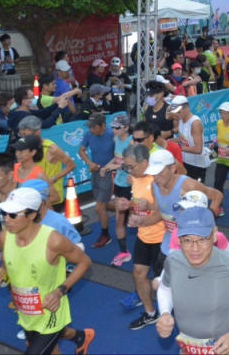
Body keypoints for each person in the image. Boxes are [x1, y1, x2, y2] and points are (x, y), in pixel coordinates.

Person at [0, 187, 95, 355]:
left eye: (13, 215)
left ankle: (78, 336)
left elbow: (85, 262)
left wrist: (60, 291)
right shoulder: (5, 237)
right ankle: (80, 337)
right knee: (50, 348)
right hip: (26, 311)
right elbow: (8, 269)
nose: (6, 219)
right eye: (4, 213)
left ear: (32, 215)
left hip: (52, 311)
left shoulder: (53, 240)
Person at [155, 206, 229, 353]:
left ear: (214, 235)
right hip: (186, 349)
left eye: (202, 239)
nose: (195, 249)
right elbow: (165, 288)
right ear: (178, 239)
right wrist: (165, 313)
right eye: (187, 240)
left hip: (223, 350)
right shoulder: (173, 261)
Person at [120, 144, 167, 330]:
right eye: (126, 167)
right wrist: (128, 204)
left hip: (162, 239)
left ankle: (168, 316)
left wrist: (143, 218)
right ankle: (150, 314)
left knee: (163, 284)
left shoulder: (157, 181)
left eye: (131, 166)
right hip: (143, 237)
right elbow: (139, 204)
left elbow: (162, 211)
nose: (129, 171)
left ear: (145, 162)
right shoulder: (134, 179)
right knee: (139, 275)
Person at [145, 148, 222, 254]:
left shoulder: (189, 185)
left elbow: (217, 196)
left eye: (159, 172)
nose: (155, 177)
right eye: (153, 174)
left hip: (193, 250)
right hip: (169, 246)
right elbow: (159, 213)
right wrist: (141, 221)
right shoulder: (154, 186)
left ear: (172, 169)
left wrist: (207, 221)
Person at [78, 113, 116, 248]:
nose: (92, 130)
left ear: (103, 126)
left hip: (109, 173)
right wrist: (89, 163)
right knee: (104, 205)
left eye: (94, 127)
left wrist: (107, 168)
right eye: (91, 127)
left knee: (99, 208)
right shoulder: (89, 134)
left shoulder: (112, 134)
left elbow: (119, 155)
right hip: (95, 172)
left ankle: (106, 235)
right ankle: (127, 209)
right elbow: (81, 150)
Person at [101, 114, 133, 264]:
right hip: (120, 183)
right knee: (120, 220)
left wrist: (116, 166)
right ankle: (123, 252)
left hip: (133, 185)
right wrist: (107, 166)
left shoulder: (132, 142)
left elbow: (132, 165)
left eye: (117, 127)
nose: (113, 130)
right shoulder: (116, 140)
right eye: (112, 127)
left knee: (137, 218)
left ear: (126, 128)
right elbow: (116, 158)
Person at [169, 95, 209, 181]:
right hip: (185, 162)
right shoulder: (181, 120)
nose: (176, 115)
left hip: (197, 165)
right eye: (175, 112)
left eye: (178, 112)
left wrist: (178, 148)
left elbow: (198, 149)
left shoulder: (195, 123)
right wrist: (167, 142)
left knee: (196, 192)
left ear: (186, 108)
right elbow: (182, 140)